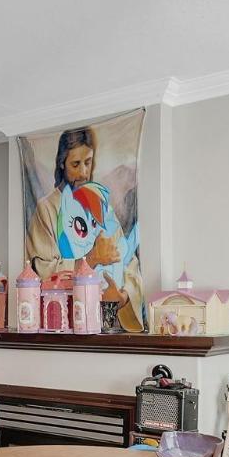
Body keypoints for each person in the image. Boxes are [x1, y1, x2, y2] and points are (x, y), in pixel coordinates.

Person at [24, 126, 144, 331]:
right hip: (67, 321)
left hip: (107, 321)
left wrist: (122, 297)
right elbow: (43, 269)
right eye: (75, 164)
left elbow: (129, 262)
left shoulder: (101, 205)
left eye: (87, 162)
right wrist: (91, 259)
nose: (83, 172)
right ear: (62, 163)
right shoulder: (47, 209)